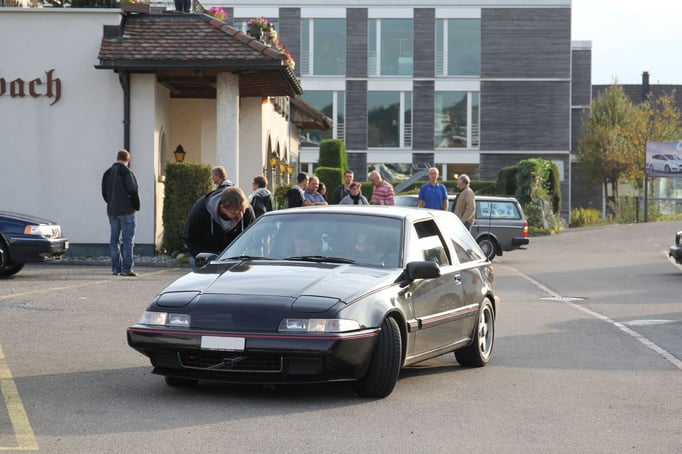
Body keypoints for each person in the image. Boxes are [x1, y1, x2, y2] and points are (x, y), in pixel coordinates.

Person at [183, 186, 255, 264]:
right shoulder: (201, 210)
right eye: (234, 213)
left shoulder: (247, 211)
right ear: (222, 207)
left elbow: (253, 236)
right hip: (207, 253)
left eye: (242, 210)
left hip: (236, 256)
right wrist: (201, 258)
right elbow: (190, 237)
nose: (240, 216)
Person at [101, 149, 140, 277]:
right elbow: (133, 190)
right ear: (128, 160)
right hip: (126, 211)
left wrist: (111, 202)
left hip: (112, 210)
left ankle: (115, 269)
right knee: (128, 240)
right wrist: (135, 206)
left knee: (114, 241)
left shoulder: (107, 173)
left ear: (117, 158)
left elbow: (104, 193)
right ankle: (126, 269)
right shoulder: (126, 172)